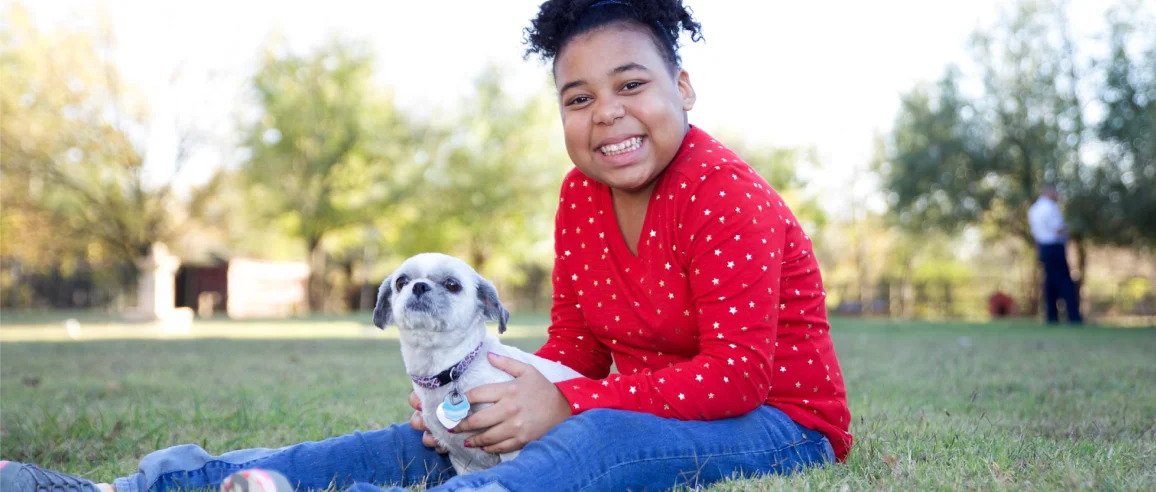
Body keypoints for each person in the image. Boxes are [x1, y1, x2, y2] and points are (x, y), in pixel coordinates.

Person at [0, 1, 852, 491]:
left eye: (632, 85)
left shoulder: (725, 193)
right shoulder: (580, 196)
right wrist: (481, 401)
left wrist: (570, 409)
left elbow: (738, 372)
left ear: (683, 85)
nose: (606, 115)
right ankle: (142, 486)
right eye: (577, 97)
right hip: (620, 399)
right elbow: (577, 351)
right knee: (423, 443)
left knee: (583, 452)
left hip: (777, 419)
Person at [1027, 183, 1083, 324]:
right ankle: (1073, 316)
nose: (1057, 195)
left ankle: (1051, 316)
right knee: (1065, 281)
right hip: (1055, 247)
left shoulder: (1033, 209)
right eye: (1055, 192)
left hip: (1042, 248)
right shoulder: (1051, 208)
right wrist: (1068, 231)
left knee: (1049, 282)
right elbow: (1058, 229)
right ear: (1049, 192)